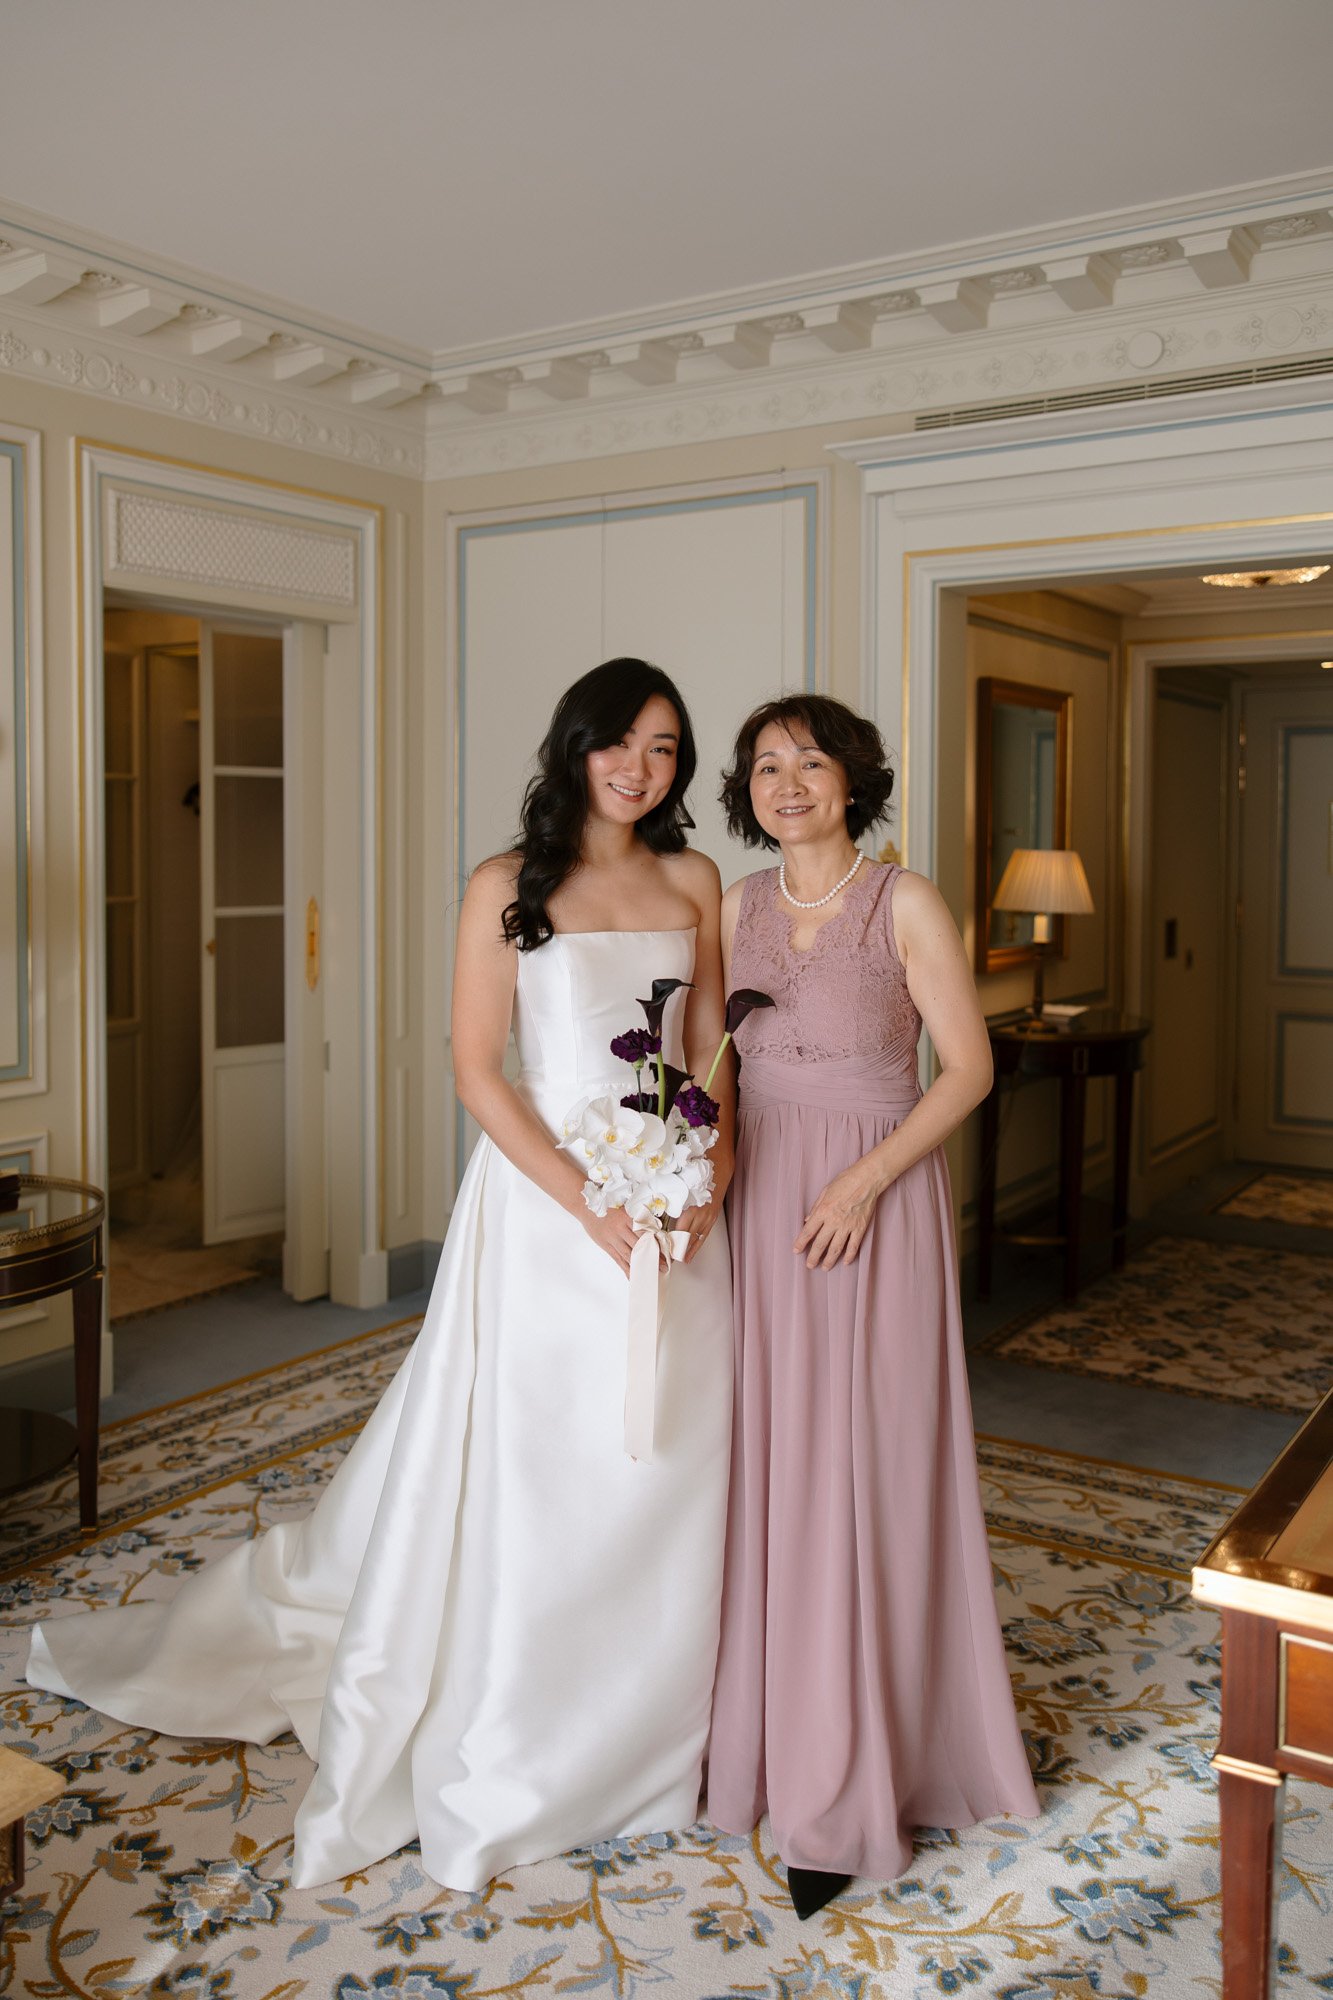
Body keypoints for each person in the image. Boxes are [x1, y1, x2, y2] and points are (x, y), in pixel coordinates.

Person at [27, 657, 735, 1893]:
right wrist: (589, 1203)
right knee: (540, 1457)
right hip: (548, 1206)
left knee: (673, 1452)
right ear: (572, 747)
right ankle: (523, 1714)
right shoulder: (503, 887)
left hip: (674, 1203)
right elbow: (479, 1068)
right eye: (616, 742)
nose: (638, 767)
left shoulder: (692, 878)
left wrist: (702, 1170)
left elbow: (708, 1044)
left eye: (665, 748)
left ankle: (655, 1710)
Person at [706, 694, 1039, 1921]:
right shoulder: (733, 907)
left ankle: (847, 1786)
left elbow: (973, 1066)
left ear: (854, 779)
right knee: (768, 1469)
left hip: (871, 1201)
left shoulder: (905, 900)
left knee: (860, 1470)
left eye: (810, 761)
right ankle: (761, 1736)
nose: (786, 781)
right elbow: (708, 1065)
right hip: (760, 1204)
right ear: (745, 790)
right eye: (763, 765)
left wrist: (866, 1173)